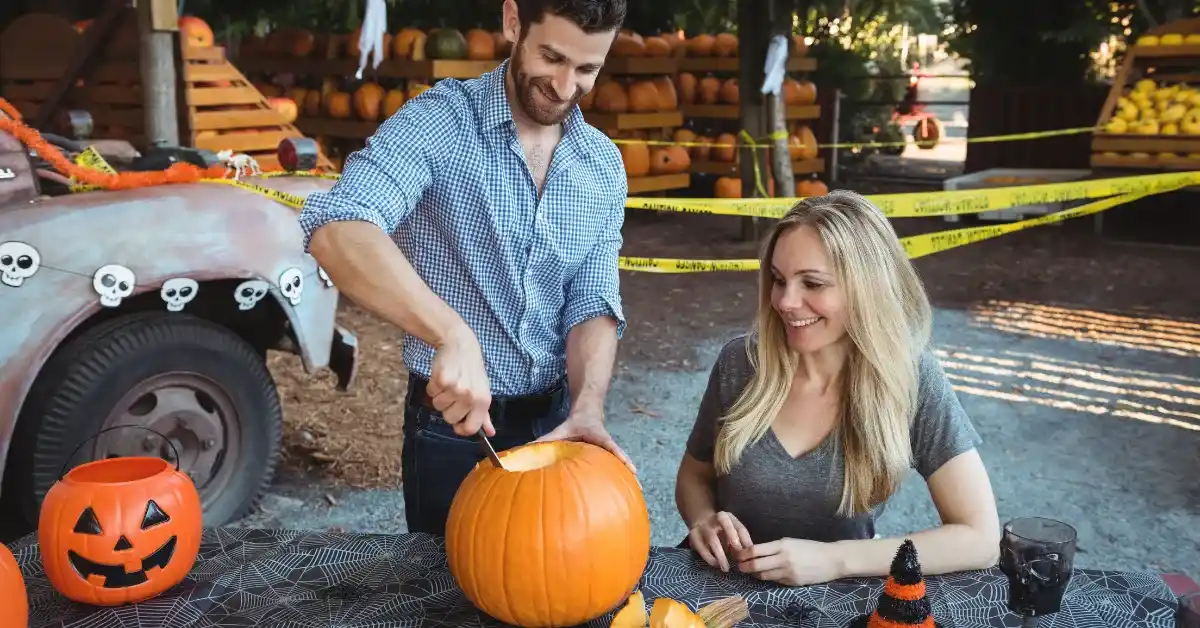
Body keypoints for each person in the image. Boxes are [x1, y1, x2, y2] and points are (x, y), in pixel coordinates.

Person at [298, 0, 634, 537]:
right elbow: (338, 227)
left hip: (558, 423)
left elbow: (593, 297)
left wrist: (588, 406)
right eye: (552, 57)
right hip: (452, 426)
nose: (567, 87)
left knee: (553, 596)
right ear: (513, 23)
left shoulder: (603, 163)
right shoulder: (441, 122)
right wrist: (451, 334)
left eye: (588, 69)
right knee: (449, 594)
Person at [674, 190, 1001, 587]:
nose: (786, 302)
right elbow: (694, 475)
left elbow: (980, 538)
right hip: (720, 585)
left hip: (835, 600)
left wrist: (836, 560)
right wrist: (703, 520)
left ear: (868, 288)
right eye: (778, 280)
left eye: (812, 283)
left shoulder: (910, 379)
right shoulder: (740, 364)